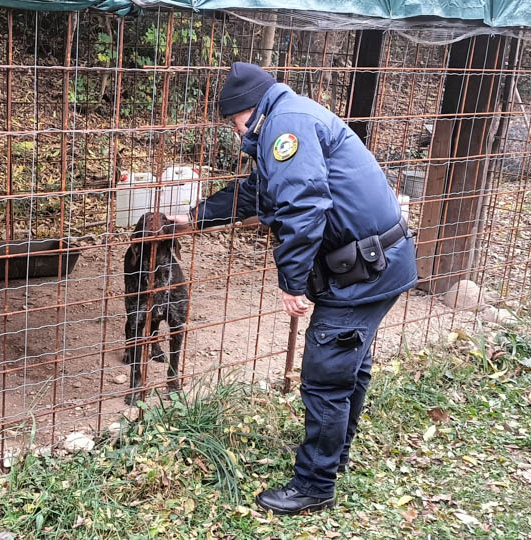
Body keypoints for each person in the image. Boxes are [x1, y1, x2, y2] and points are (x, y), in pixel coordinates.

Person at [168, 62, 417, 515]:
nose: (235, 132)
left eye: (234, 123)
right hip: (383, 261)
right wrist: (198, 215)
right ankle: (334, 458)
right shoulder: (290, 115)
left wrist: (292, 281)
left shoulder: (286, 127)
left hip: (361, 272)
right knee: (350, 365)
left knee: (325, 375)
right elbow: (258, 189)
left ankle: (314, 485)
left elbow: (303, 207)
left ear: (247, 111)